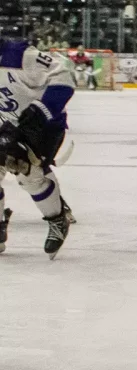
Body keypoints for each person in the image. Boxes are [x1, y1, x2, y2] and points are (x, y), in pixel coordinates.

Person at [0, 38, 77, 259]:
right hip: (8, 123)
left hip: (45, 126)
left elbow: (64, 75)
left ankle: (57, 219)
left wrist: (42, 109)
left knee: (26, 171)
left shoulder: (18, 55)